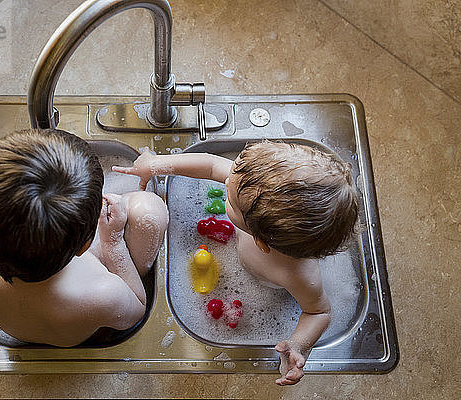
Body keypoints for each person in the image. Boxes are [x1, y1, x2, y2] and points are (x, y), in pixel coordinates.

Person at [113, 140, 358, 385]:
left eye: (229, 200)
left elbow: (319, 312)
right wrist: (155, 164)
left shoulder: (297, 275)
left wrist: (299, 345)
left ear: (260, 242)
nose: (227, 180)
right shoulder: (250, 188)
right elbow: (210, 165)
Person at [0, 128, 168, 347]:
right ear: (84, 245)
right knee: (150, 210)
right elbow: (137, 310)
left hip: (45, 323)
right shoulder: (101, 294)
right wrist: (112, 240)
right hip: (92, 323)